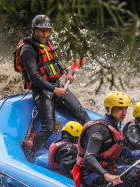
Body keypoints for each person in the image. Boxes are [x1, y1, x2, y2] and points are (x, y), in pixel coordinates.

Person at [14, 15, 90, 162]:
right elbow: (34, 77)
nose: (45, 34)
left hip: (56, 86)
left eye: (47, 31)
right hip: (41, 90)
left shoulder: (46, 43)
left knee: (83, 115)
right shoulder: (27, 50)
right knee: (48, 128)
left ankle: (88, 150)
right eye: (41, 31)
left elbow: (55, 60)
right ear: (34, 30)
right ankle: (29, 156)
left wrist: (67, 72)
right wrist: (54, 90)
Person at [72, 91, 140, 187]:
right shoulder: (99, 129)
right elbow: (88, 157)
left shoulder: (115, 128)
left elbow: (130, 154)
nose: (124, 113)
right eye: (120, 109)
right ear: (109, 109)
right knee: (132, 175)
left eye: (125, 109)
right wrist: (106, 175)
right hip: (91, 176)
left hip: (109, 171)